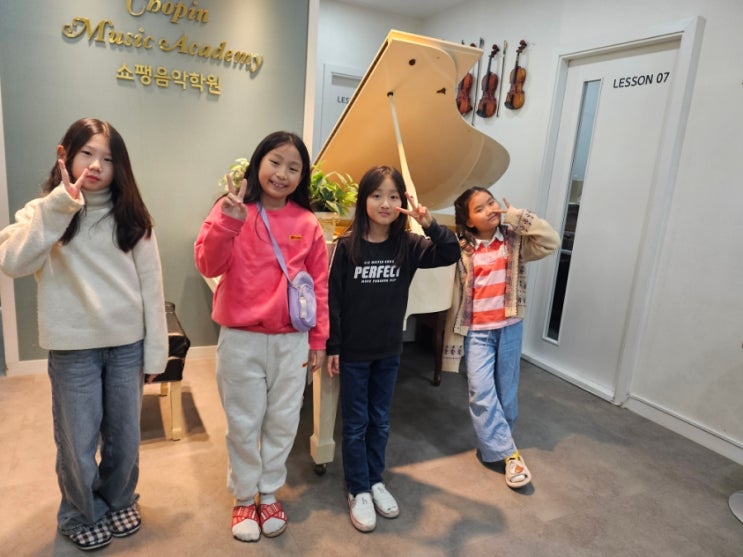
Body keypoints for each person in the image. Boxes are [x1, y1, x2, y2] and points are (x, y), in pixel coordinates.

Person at [0, 118, 168, 550]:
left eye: (107, 159)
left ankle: (118, 498)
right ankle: (80, 512)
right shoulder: (43, 211)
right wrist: (61, 205)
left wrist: (156, 354)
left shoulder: (132, 217)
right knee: (76, 443)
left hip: (126, 347)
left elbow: (152, 290)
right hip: (73, 351)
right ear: (65, 155)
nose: (96, 165)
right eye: (87, 154)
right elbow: (12, 262)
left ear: (119, 167)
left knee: (125, 439)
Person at [194, 131, 329, 543]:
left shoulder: (308, 223)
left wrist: (319, 340)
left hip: (292, 342)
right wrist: (227, 222)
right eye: (275, 162)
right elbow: (208, 263)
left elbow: (319, 287)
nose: (282, 173)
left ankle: (268, 493)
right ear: (257, 163)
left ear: (302, 177)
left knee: (283, 423)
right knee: (242, 424)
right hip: (241, 339)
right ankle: (243, 497)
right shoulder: (231, 208)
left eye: (293, 167)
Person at [326, 165, 460, 533]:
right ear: (363, 200)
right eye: (376, 195)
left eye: (393, 196)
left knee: (380, 420)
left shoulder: (409, 245)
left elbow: (450, 252)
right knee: (355, 424)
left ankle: (375, 479)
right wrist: (333, 346)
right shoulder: (345, 247)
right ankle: (357, 488)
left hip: (388, 351)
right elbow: (333, 300)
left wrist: (428, 223)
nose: (385, 203)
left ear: (402, 201)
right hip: (353, 353)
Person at [442, 186, 559, 489]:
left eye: (491, 202)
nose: (490, 209)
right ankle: (509, 454)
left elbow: (551, 241)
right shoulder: (461, 249)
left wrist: (520, 217)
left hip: (509, 327)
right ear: (469, 220)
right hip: (477, 332)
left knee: (506, 393)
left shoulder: (513, 240)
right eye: (480, 208)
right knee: (480, 392)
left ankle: (495, 446)